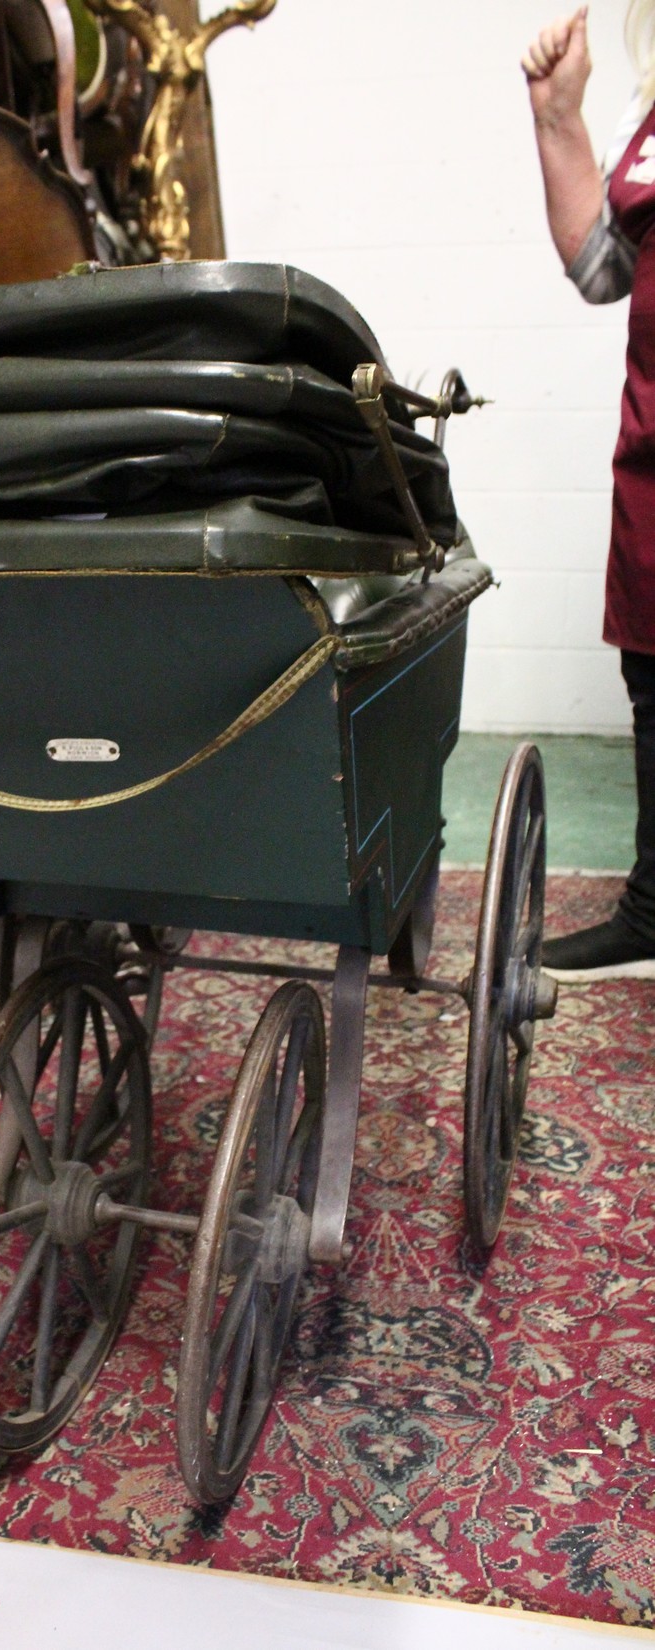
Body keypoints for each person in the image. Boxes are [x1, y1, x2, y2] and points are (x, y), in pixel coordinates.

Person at [524, 2, 655, 979]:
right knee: (652, 678)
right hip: (652, 446)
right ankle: (653, 912)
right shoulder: (647, 121)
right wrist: (556, 118)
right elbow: (599, 269)